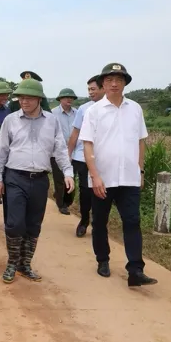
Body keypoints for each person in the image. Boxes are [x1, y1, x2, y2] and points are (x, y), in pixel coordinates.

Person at [79, 63, 157, 287]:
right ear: (103, 84)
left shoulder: (135, 108)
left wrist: (140, 170)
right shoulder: (94, 111)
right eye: (110, 80)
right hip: (103, 178)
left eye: (119, 80)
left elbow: (141, 141)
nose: (114, 84)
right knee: (100, 222)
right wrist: (95, 176)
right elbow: (88, 146)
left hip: (129, 178)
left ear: (125, 84)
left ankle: (135, 270)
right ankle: (102, 259)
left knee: (132, 221)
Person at [0, 78, 74, 284]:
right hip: (14, 177)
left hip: (39, 180)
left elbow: (60, 149)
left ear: (39, 99)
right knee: (14, 223)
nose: (24, 101)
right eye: (21, 97)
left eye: (29, 98)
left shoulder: (51, 121)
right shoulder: (11, 120)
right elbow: (1, 150)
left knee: (33, 224)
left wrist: (68, 172)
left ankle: (25, 264)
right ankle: (12, 262)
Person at [67, 75, 105, 237]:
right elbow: (75, 133)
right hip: (83, 158)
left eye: (93, 89)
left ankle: (99, 223)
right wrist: (68, 155)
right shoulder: (84, 109)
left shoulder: (113, 109)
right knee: (85, 192)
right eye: (88, 89)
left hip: (103, 159)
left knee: (102, 191)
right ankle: (84, 220)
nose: (90, 92)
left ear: (103, 88)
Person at [51, 88, 78, 215]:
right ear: (60, 99)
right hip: (57, 152)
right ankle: (61, 204)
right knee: (59, 179)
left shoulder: (77, 114)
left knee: (71, 177)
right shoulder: (53, 114)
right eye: (66, 97)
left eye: (71, 97)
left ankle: (67, 200)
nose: (69, 99)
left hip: (74, 151)